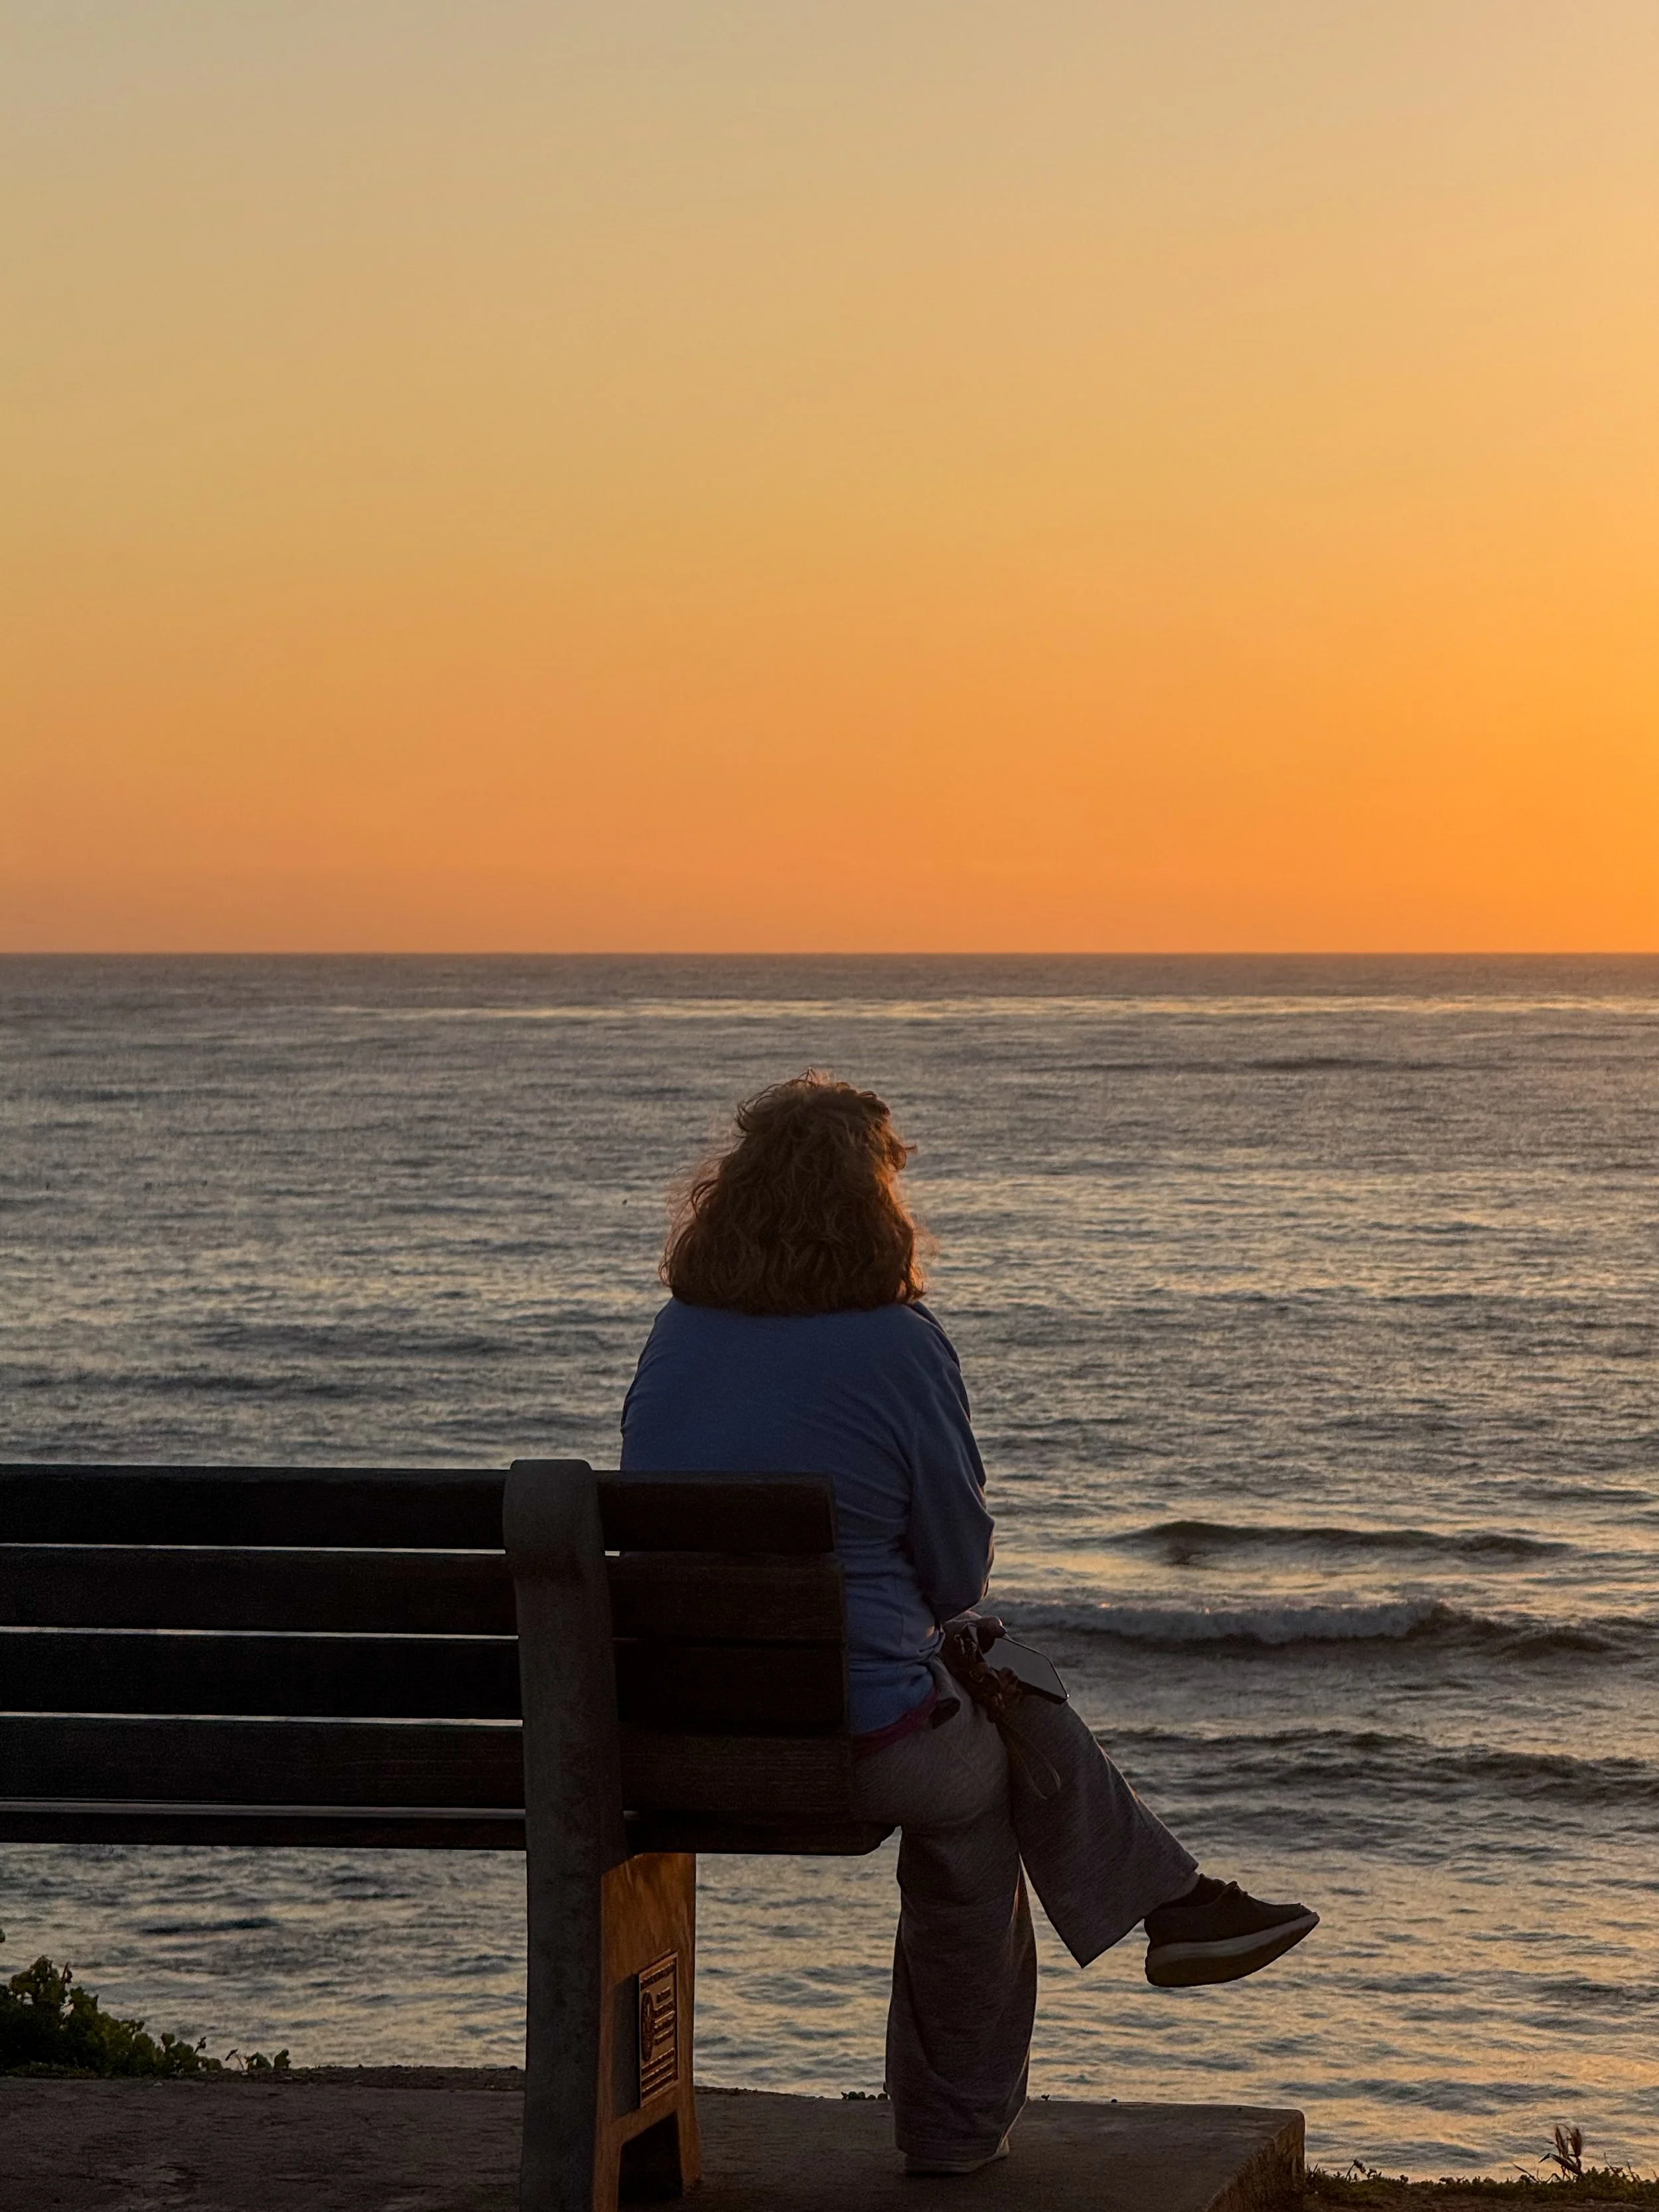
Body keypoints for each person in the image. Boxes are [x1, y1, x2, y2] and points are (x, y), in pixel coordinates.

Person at [620, 1072, 1317, 2177]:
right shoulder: (901, 1346)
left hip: (681, 1734)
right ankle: (970, 2115)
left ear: (730, 1200)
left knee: (982, 1682)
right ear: (876, 1206)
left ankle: (1180, 1902)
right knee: (979, 1783)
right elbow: (954, 1576)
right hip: (859, 1746)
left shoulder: (678, 1334)